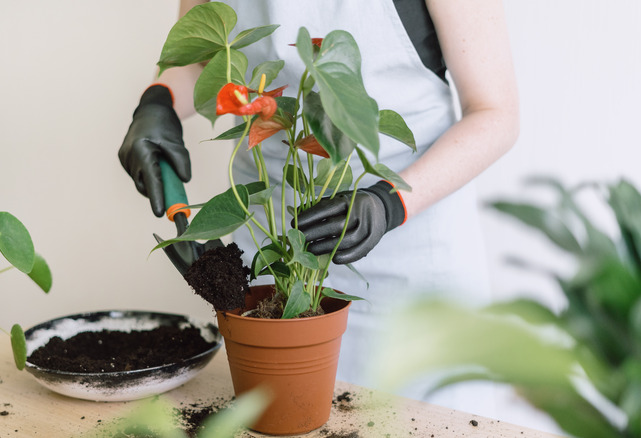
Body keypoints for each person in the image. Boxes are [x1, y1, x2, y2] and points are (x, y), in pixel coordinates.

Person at [119, 0, 519, 420]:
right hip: (274, 235)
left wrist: (389, 202)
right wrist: (157, 102)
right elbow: (200, 55)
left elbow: (495, 112)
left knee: (426, 422)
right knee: (280, 418)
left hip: (410, 241)